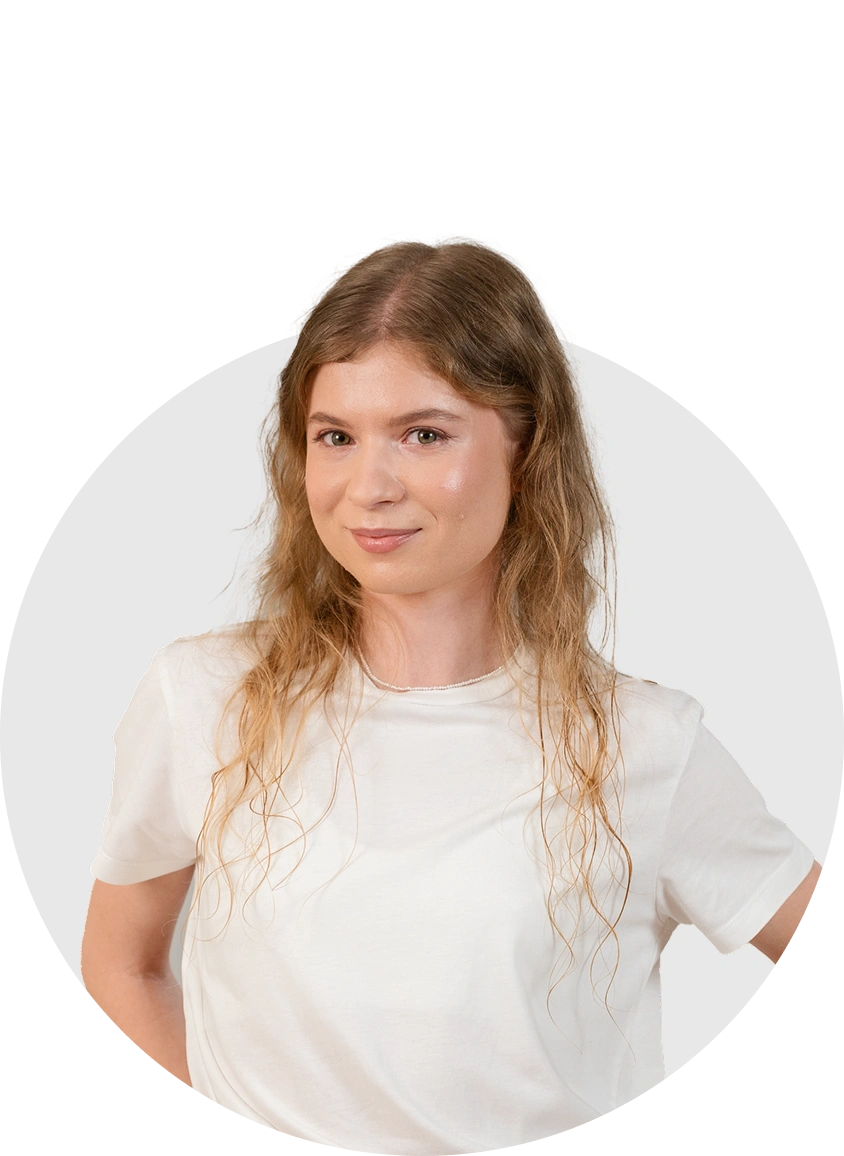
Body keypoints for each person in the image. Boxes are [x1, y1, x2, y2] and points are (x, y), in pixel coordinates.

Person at [81, 234, 821, 1154]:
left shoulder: (643, 744)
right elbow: (122, 965)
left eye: (424, 435)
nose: (368, 488)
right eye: (335, 437)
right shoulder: (205, 698)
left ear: (528, 447)